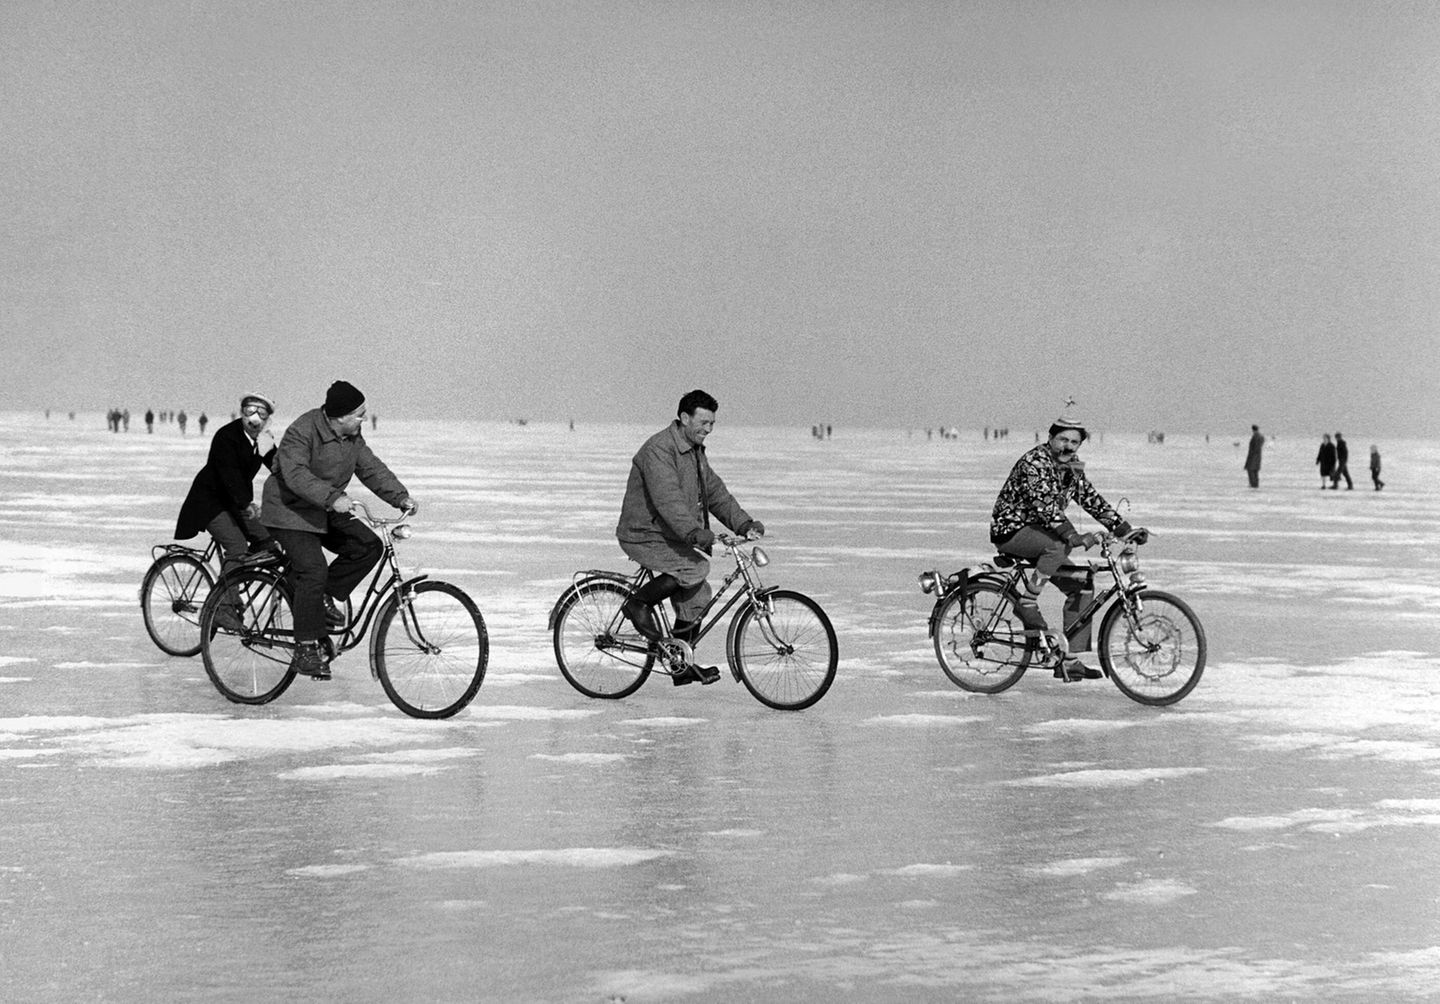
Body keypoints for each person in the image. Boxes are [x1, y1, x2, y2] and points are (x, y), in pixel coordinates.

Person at [261, 381, 417, 680]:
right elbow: (294, 474)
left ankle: (320, 598)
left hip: (323, 508)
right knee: (313, 569)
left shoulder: (352, 437)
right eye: (359, 415)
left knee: (367, 545)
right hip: (288, 511)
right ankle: (305, 648)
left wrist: (399, 496)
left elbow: (371, 468)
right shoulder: (303, 430)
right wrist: (333, 497)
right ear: (340, 416)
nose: (363, 420)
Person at [616, 389, 764, 687]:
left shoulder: (694, 452)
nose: (708, 430)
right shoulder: (659, 450)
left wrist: (744, 523)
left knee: (698, 596)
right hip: (643, 533)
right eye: (704, 423)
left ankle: (679, 663)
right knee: (694, 568)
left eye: (712, 424)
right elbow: (668, 501)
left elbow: (716, 494)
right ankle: (636, 605)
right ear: (684, 418)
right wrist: (695, 533)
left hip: (671, 534)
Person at [989, 409, 1147, 682]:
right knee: (1059, 545)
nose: (1068, 446)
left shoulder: (1071, 468)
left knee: (1082, 585)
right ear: (1050, 438)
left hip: (1044, 531)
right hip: (1012, 530)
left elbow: (1091, 499)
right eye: (1063, 440)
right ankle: (1027, 600)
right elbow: (1046, 507)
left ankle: (1069, 661)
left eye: (1074, 442)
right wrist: (1075, 537)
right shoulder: (1034, 463)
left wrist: (1124, 529)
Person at [173, 393, 284, 604]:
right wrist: (245, 503)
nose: (254, 417)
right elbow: (228, 474)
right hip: (210, 502)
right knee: (237, 546)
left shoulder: (264, 439)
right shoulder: (227, 436)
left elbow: (279, 467)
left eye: (261, 412)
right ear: (241, 412)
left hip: (235, 502)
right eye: (249, 410)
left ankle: (240, 573)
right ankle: (224, 606)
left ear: (268, 417)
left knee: (268, 540)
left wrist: (302, 490)